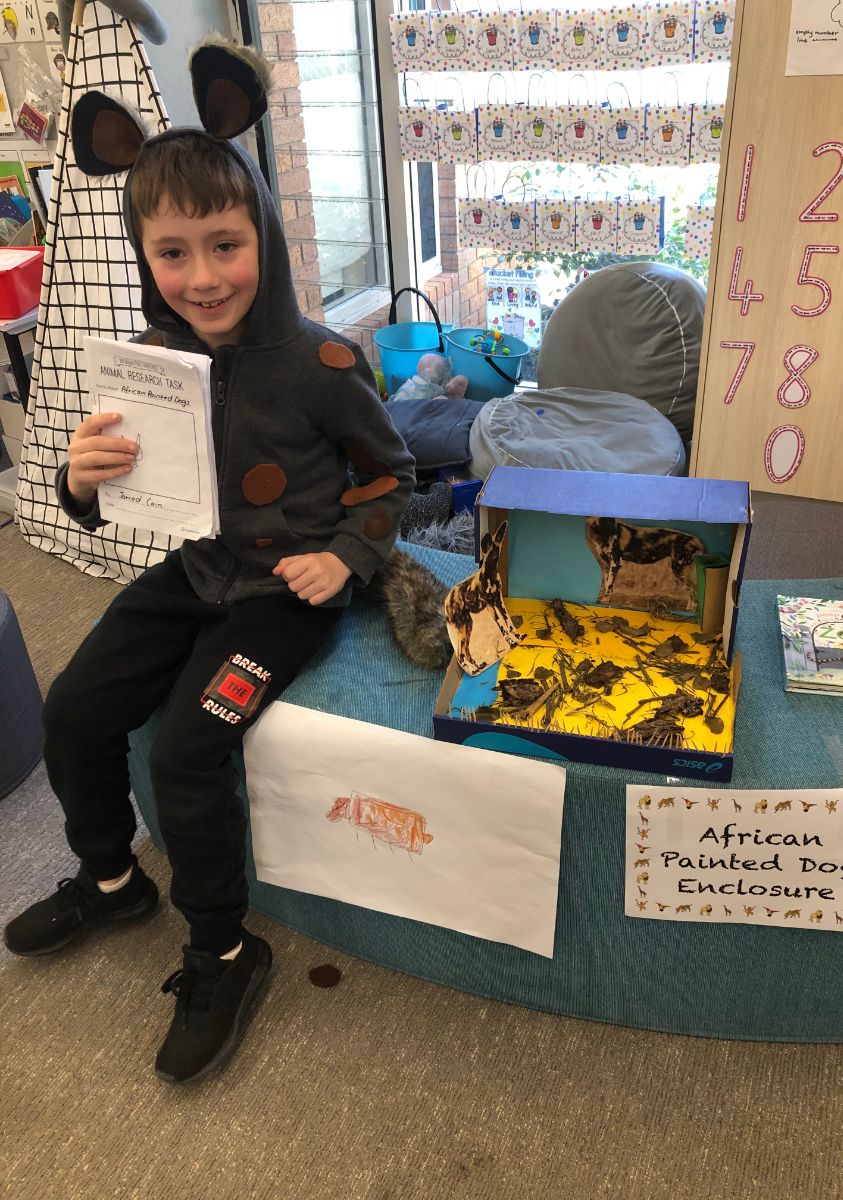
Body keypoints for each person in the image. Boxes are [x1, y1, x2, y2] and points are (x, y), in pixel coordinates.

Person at [3, 45, 415, 1085]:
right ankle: (111, 882)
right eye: (173, 254)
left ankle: (225, 950)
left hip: (285, 593)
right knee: (72, 710)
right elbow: (110, 490)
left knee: (188, 749)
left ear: (263, 234)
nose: (202, 278)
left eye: (225, 245)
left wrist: (346, 555)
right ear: (144, 257)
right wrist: (78, 481)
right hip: (194, 571)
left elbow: (393, 472)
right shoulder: (149, 362)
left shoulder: (324, 361)